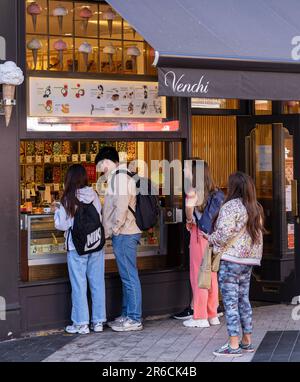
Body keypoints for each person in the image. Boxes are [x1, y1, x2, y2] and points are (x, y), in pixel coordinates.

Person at [209, 172, 264, 357]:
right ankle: (247, 341)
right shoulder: (256, 207)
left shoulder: (230, 206)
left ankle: (233, 345)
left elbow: (223, 234)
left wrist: (210, 239)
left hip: (231, 260)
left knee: (230, 303)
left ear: (233, 187)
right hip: (248, 262)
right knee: (244, 300)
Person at [54, 164, 106, 335]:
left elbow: (62, 225)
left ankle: (81, 323)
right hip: (95, 244)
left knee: (79, 285)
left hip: (76, 248)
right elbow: (99, 217)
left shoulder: (68, 199)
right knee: (97, 283)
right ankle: (98, 322)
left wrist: (56, 211)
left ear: (69, 179)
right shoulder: (94, 195)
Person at [95, 146, 143, 332]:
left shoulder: (120, 178)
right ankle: (127, 314)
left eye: (101, 164)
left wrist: (114, 228)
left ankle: (134, 318)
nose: (101, 169)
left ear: (108, 161)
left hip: (125, 233)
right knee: (126, 277)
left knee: (130, 277)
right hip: (124, 232)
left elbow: (121, 206)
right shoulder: (119, 176)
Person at [183, 159, 224, 328]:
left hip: (199, 237)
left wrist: (188, 215)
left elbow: (190, 215)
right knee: (211, 275)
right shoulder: (215, 192)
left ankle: (200, 316)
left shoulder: (193, 191)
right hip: (213, 238)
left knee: (198, 275)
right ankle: (212, 314)